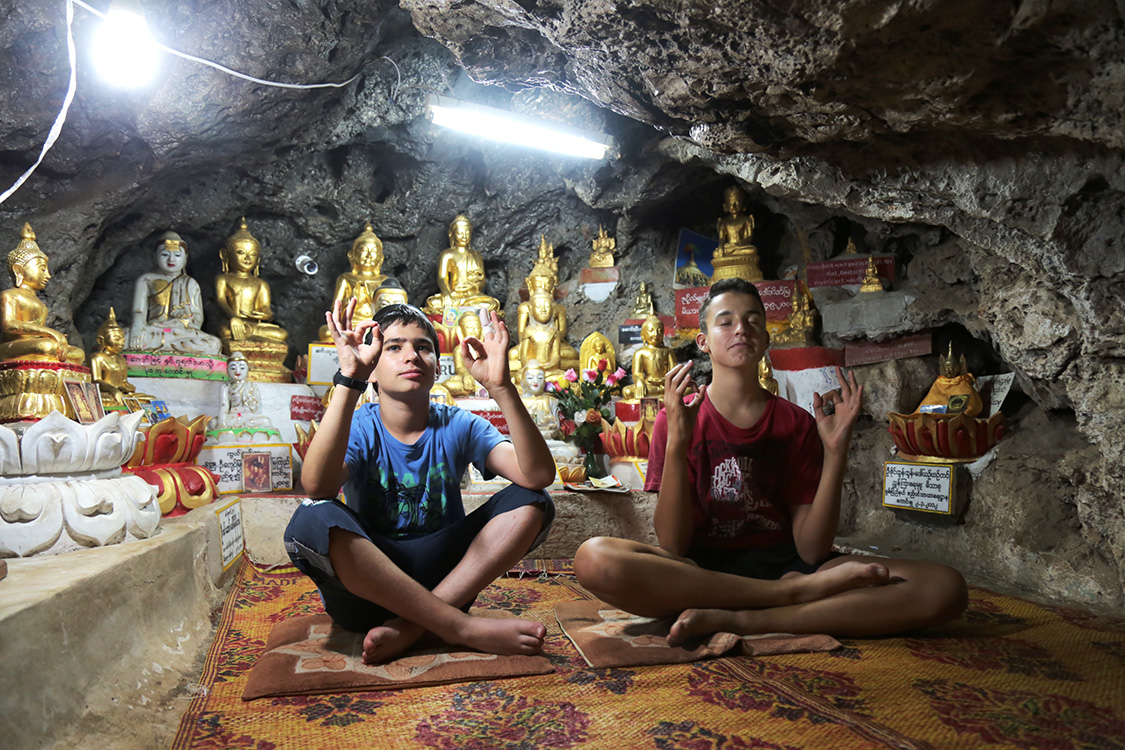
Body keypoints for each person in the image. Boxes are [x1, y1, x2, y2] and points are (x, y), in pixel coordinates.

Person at [574, 278, 967, 645]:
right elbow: (673, 544)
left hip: (786, 563)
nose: (740, 330)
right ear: (703, 341)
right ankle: (787, 598)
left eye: (752, 322)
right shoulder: (676, 417)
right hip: (699, 575)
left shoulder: (795, 422)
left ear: (764, 338)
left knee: (944, 587)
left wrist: (835, 452)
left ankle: (747, 620)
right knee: (594, 559)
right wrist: (678, 440)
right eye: (725, 323)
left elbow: (812, 551)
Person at [284, 298, 556, 664]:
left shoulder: (457, 423)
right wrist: (350, 378)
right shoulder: (361, 425)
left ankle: (416, 627)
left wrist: (502, 387)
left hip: (447, 582)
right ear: (373, 369)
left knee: (533, 500)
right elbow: (317, 486)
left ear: (437, 367)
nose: (411, 356)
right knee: (312, 515)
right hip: (368, 593)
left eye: (423, 347)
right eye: (394, 347)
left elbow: (537, 475)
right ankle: (459, 628)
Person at [129, 231, 222, 355]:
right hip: (152, 330)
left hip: (180, 333)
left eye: (177, 255)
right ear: (154, 256)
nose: (171, 259)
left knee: (213, 344)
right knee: (120, 338)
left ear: (185, 258)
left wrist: (177, 323)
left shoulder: (190, 283)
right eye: (165, 254)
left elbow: (197, 319)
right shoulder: (146, 280)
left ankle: (158, 352)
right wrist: (138, 328)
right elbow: (138, 311)